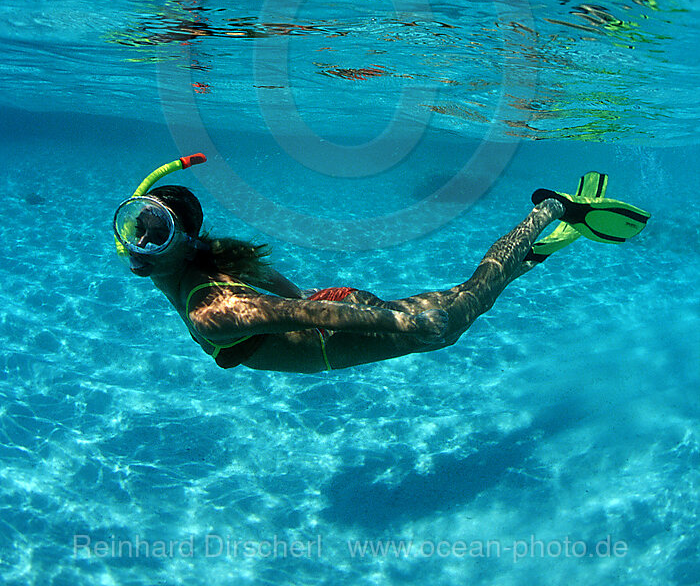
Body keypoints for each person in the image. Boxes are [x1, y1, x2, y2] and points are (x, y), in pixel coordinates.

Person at [113, 155, 649, 374]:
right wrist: (344, 302)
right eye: (137, 228)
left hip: (343, 328)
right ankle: (538, 243)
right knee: (467, 294)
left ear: (185, 241)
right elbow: (297, 298)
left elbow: (306, 317)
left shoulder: (212, 311)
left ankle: (548, 211)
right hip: (343, 314)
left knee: (447, 321)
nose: (141, 244)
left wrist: (396, 322)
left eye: (157, 233)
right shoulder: (218, 263)